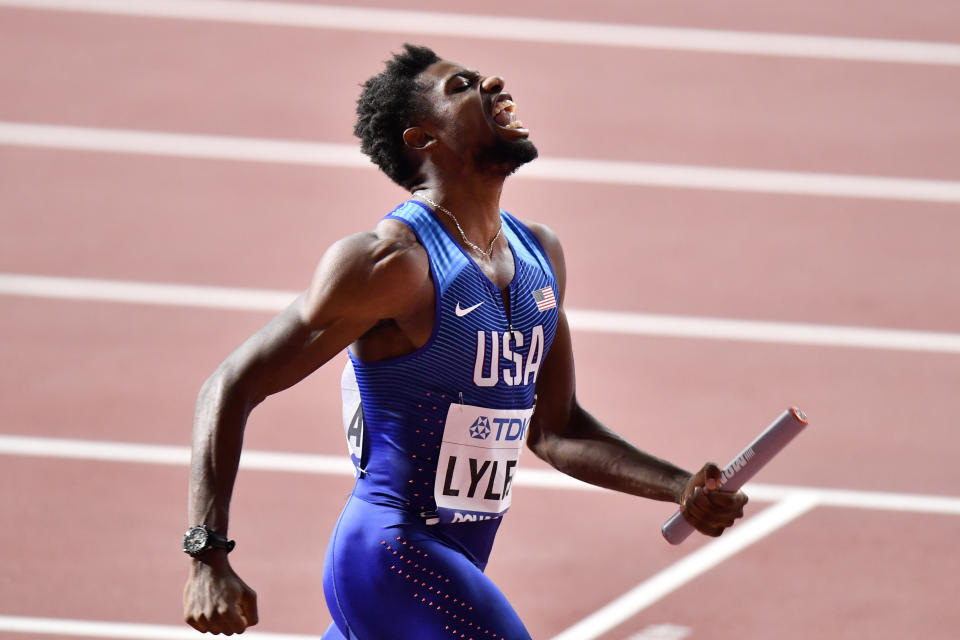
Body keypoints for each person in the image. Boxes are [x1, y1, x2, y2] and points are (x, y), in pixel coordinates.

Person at [182, 44, 747, 639]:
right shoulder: (392, 265)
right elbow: (230, 383)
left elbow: (556, 430)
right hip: (393, 553)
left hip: (457, 558)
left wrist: (680, 488)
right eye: (461, 86)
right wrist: (206, 556)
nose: (493, 82)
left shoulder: (539, 255)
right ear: (423, 139)